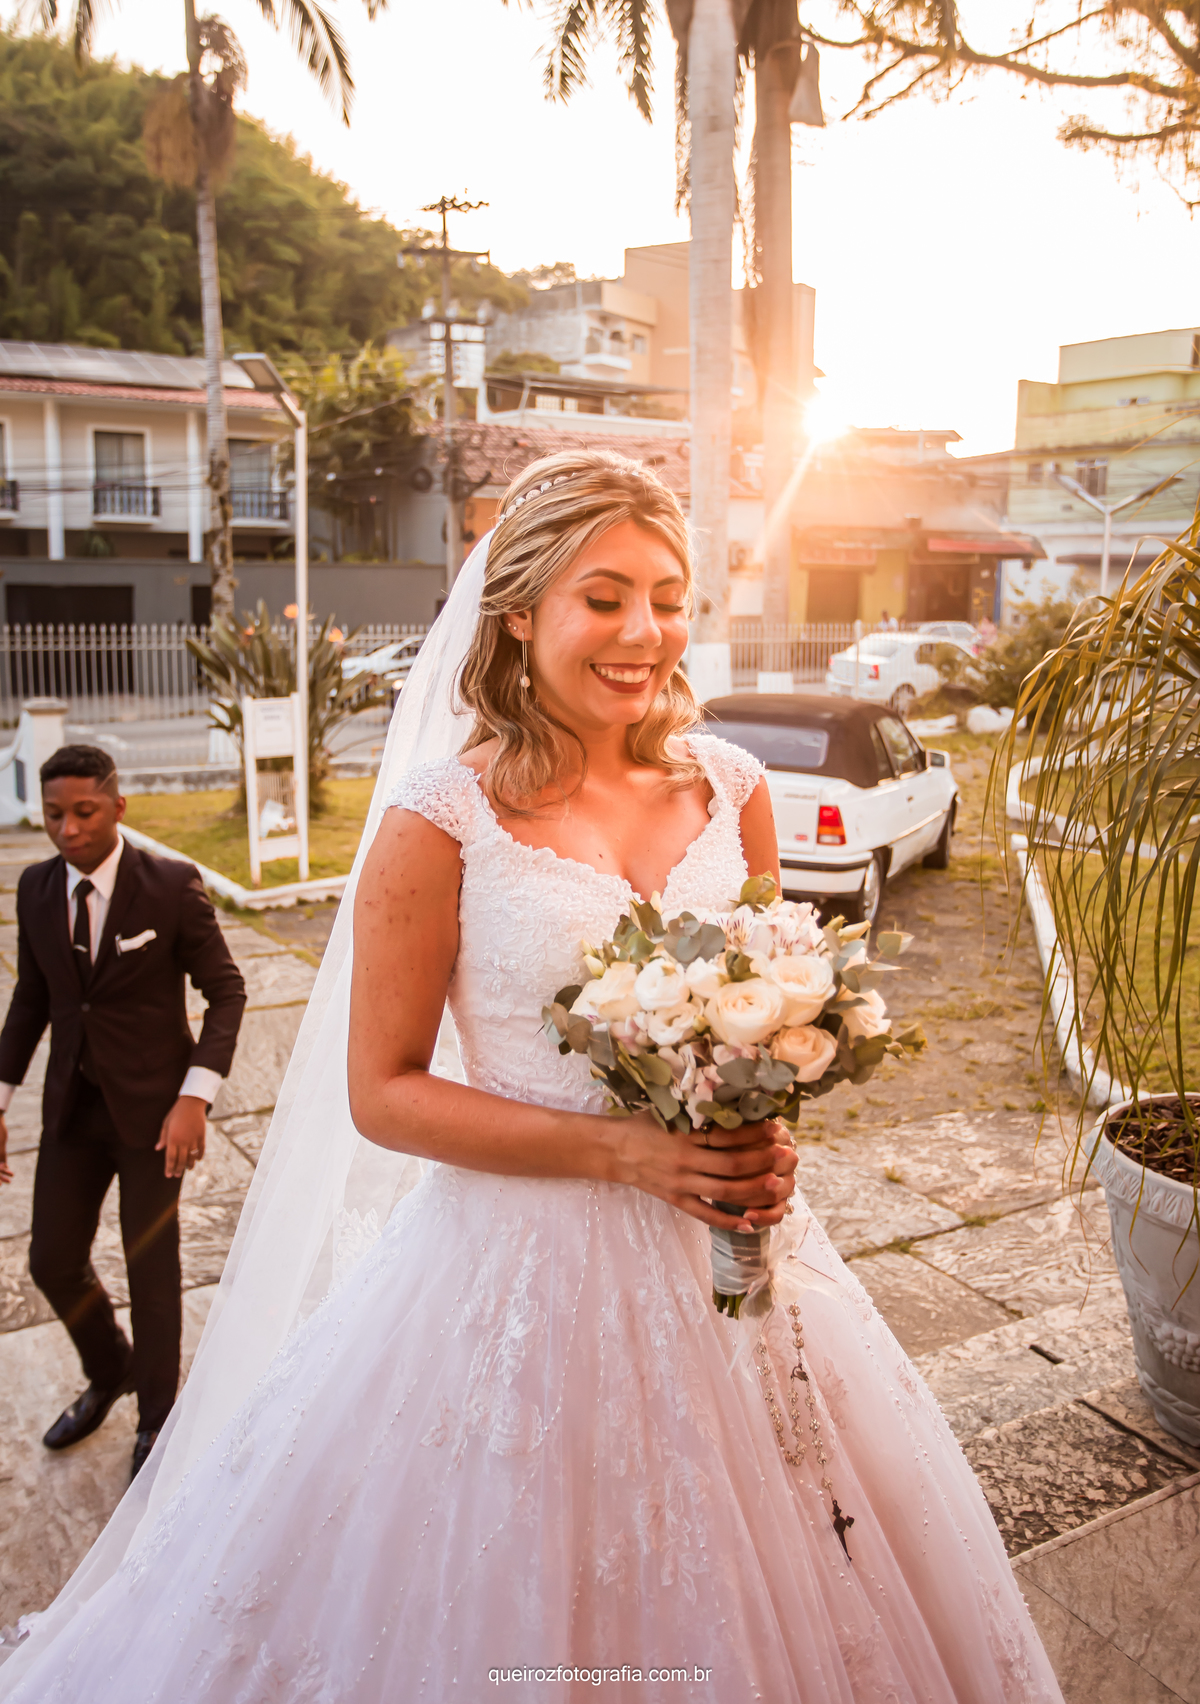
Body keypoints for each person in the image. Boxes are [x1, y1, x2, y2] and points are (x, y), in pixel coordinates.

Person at [0, 457, 1062, 1702]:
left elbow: (778, 1003)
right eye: (601, 597)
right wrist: (631, 1153)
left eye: (668, 596)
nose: (644, 633)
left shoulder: (735, 789)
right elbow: (384, 1091)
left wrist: (765, 1130)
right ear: (517, 612)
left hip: (737, 1256)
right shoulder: (438, 820)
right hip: (513, 1270)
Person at [0, 745, 246, 1482]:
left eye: (84, 813)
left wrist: (193, 1099)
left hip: (154, 1118)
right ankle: (113, 1372)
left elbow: (226, 992)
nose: (68, 831)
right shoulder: (37, 889)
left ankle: (158, 1422)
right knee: (51, 1261)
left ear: (117, 807)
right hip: (74, 1111)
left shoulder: (169, 887)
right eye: (53, 816)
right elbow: (34, 1001)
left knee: (151, 1269)